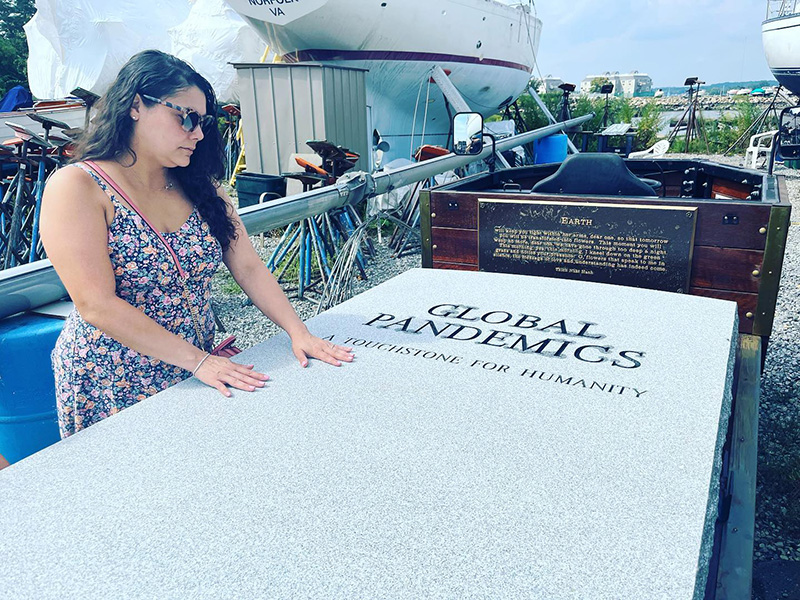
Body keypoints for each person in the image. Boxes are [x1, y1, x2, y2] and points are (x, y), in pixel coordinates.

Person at [40, 50, 353, 438]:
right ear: (136, 106)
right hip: (113, 377)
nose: (198, 133)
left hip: (194, 365)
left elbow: (249, 266)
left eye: (202, 122)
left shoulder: (199, 187)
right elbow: (96, 304)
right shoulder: (79, 187)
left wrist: (297, 331)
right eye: (185, 117)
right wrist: (199, 361)